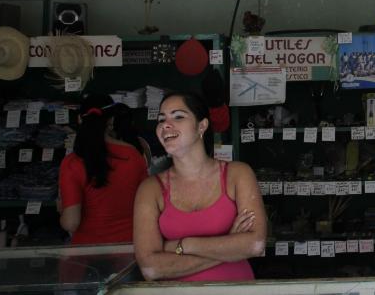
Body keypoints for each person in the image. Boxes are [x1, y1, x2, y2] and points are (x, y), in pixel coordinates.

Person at [133, 91, 266, 282]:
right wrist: (229, 246)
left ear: (201, 126)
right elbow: (151, 268)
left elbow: (255, 244)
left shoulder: (237, 174)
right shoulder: (150, 189)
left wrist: (182, 246)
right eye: (161, 120)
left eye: (178, 116)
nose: (165, 125)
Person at [57, 94, 148, 244]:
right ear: (111, 120)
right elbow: (146, 202)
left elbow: (71, 223)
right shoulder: (132, 154)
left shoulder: (72, 162)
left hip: (87, 253)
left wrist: (61, 211)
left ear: (80, 119)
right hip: (128, 248)